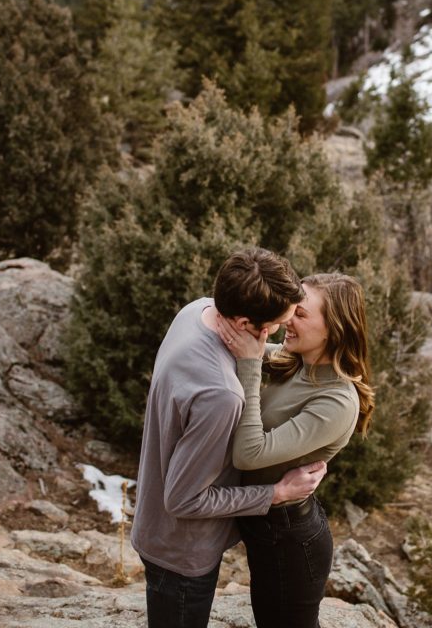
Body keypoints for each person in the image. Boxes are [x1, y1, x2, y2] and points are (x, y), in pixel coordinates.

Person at [130, 247, 328, 628]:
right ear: (241, 322)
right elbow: (185, 499)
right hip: (183, 553)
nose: (280, 331)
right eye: (273, 326)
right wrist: (277, 494)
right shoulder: (221, 394)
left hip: (155, 528)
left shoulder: (196, 312)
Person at [215, 272, 375, 628]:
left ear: (334, 329)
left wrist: (251, 364)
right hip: (265, 529)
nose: (287, 320)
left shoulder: (336, 400)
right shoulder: (295, 361)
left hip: (289, 542)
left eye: (301, 314)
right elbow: (241, 344)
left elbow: (249, 455)